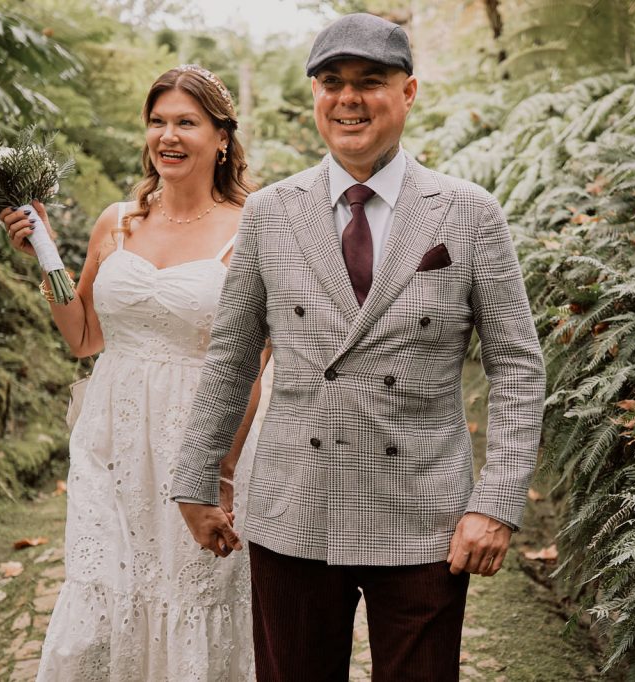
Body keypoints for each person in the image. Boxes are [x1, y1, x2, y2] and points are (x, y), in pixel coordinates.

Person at [172, 13, 546, 682]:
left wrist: (495, 502)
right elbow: (231, 357)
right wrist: (197, 477)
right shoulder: (271, 211)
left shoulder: (467, 212)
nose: (348, 99)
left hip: (424, 512)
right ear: (315, 95)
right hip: (293, 508)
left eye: (370, 81)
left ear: (408, 92)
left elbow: (516, 364)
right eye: (331, 82)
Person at [0, 64, 261, 681]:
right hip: (111, 440)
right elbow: (84, 337)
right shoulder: (117, 220)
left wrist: (219, 469)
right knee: (100, 595)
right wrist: (42, 253)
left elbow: (257, 359)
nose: (168, 136)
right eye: (157, 122)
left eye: (186, 123)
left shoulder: (252, 225)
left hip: (200, 437)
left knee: (196, 595)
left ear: (221, 137)